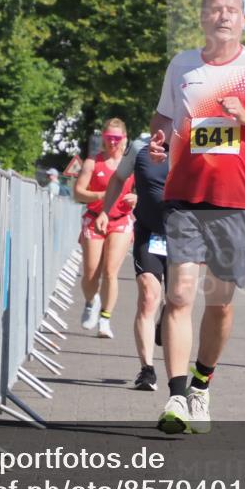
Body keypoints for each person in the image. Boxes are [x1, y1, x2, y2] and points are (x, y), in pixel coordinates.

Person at [148, 0, 245, 434]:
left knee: (221, 305)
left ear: (243, 19)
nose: (223, 16)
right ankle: (175, 399)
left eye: (232, 10)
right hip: (184, 197)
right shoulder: (182, 65)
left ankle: (201, 385)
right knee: (179, 296)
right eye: (215, 9)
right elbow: (165, 118)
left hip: (235, 203)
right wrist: (157, 139)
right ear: (203, 17)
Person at [97, 134, 170, 391]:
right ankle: (147, 370)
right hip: (149, 232)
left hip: (183, 236)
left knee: (176, 301)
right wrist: (106, 210)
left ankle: (166, 319)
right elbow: (119, 178)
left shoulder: (197, 143)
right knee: (149, 295)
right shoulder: (140, 146)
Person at [73, 118, 137, 338]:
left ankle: (105, 319)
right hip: (94, 219)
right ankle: (92, 301)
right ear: (103, 137)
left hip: (120, 220)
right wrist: (102, 195)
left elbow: (148, 190)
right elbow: (78, 193)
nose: (112, 143)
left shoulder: (132, 164)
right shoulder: (93, 163)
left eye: (117, 139)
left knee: (111, 271)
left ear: (124, 139)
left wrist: (136, 198)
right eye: (109, 138)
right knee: (91, 274)